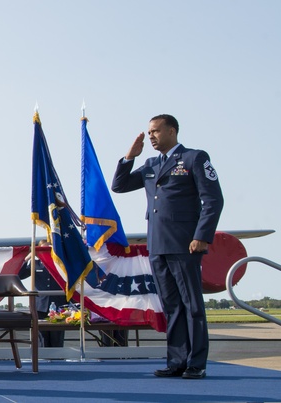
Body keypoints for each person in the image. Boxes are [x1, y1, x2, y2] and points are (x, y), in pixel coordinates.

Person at [111, 114, 223, 380]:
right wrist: (130, 157)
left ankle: (196, 362)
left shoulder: (194, 158)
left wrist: (202, 236)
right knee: (171, 305)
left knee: (191, 304)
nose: (151, 136)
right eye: (149, 132)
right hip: (158, 245)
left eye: (156, 131)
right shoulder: (150, 164)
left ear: (171, 131)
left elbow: (213, 200)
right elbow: (119, 186)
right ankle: (177, 361)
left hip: (186, 244)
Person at [20, 240, 67, 347]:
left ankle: (57, 360)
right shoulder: (35, 264)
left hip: (59, 306)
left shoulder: (60, 264)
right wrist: (29, 257)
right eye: (43, 249)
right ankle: (42, 360)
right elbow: (19, 274)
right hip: (40, 306)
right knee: (41, 337)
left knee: (57, 337)